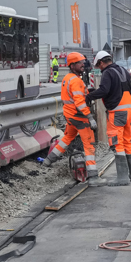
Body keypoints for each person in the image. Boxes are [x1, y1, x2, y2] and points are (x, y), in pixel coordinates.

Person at [43, 52, 97, 180]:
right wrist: (90, 117)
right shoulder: (76, 81)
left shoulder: (67, 78)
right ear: (72, 65)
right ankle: (94, 177)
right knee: (89, 145)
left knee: (67, 138)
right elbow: (79, 102)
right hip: (80, 117)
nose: (83, 64)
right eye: (79, 63)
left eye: (83, 62)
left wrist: (88, 93)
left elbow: (73, 97)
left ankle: (48, 161)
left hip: (70, 116)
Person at [86, 50, 131, 186]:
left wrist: (89, 97)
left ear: (101, 62)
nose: (99, 68)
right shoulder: (122, 70)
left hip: (117, 112)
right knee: (127, 141)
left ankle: (122, 178)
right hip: (129, 110)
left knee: (116, 142)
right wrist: (94, 92)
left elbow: (105, 90)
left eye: (98, 65)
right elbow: (117, 88)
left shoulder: (107, 72)